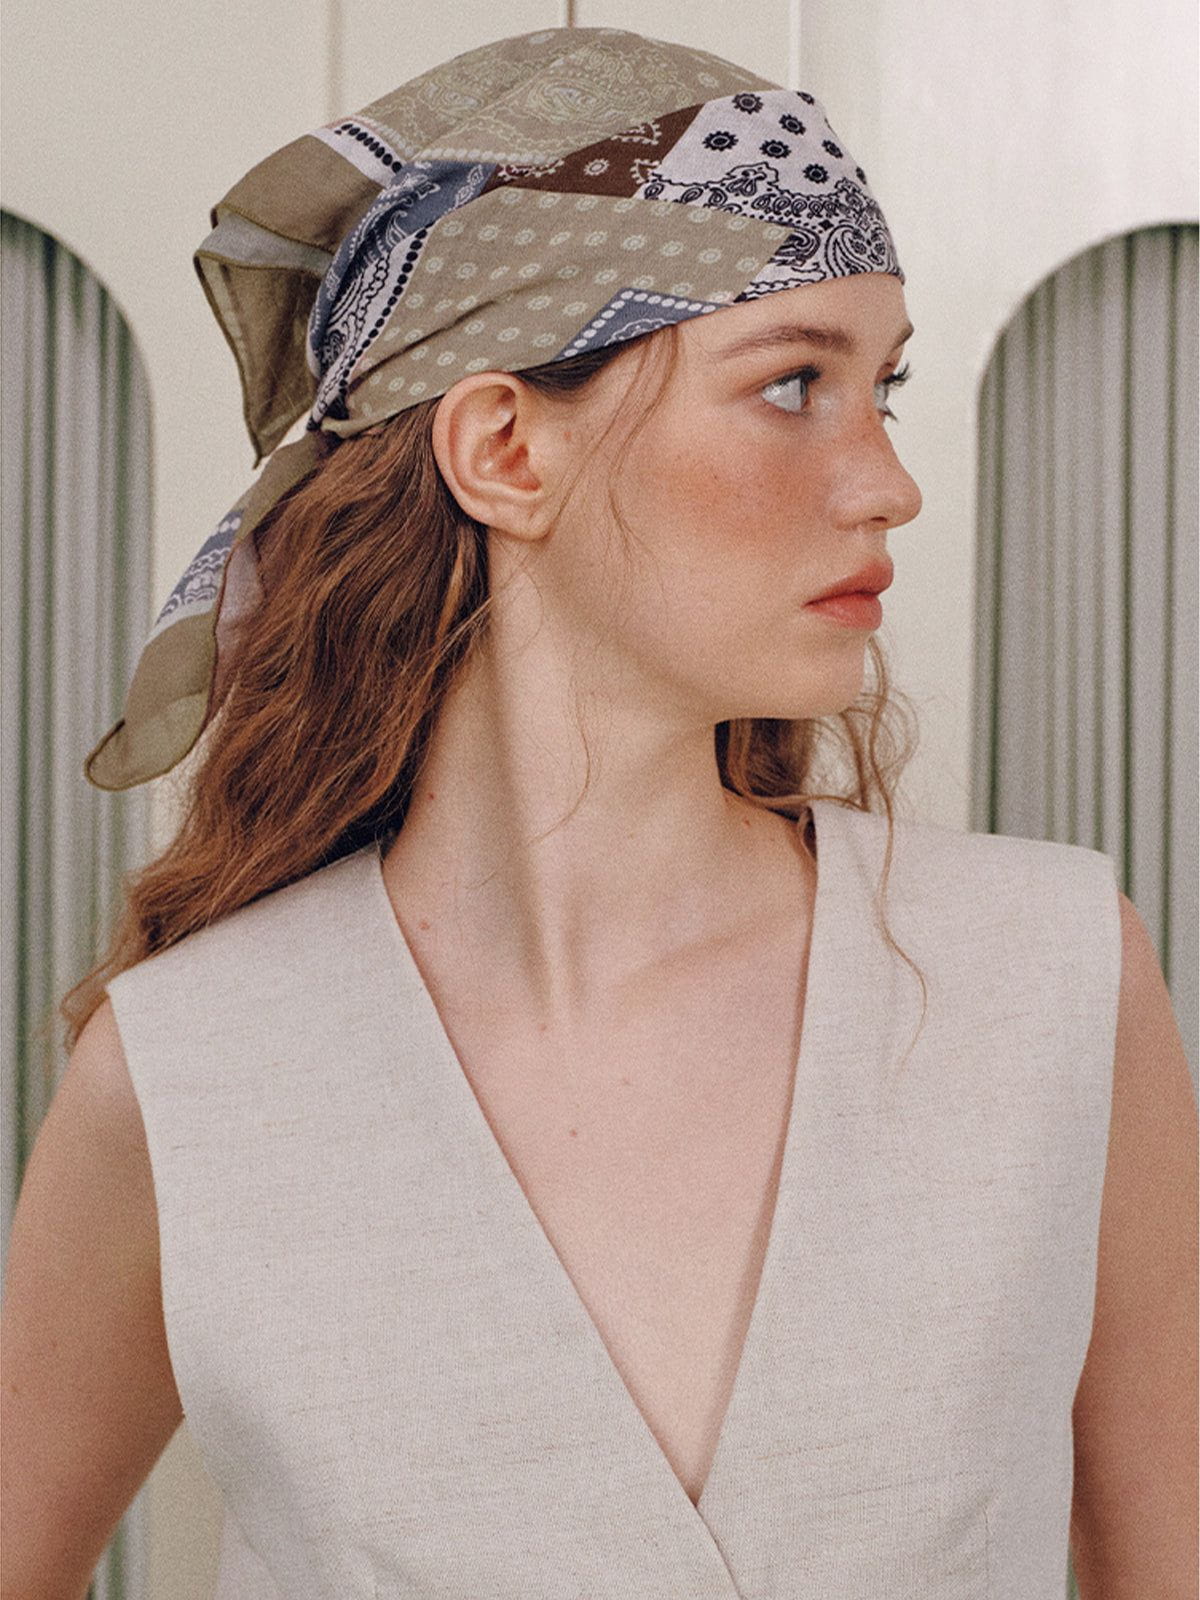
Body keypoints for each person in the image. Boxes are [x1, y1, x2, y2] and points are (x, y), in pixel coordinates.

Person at [1, 26, 1195, 1600]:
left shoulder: (1048, 978)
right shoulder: (190, 1071)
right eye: (794, 386)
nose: (890, 483)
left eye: (883, 389)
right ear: (506, 449)